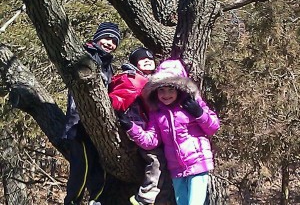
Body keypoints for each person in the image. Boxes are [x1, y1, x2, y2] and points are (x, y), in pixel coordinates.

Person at [119, 59, 220, 205]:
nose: (166, 94)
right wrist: (131, 127)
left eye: (171, 89)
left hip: (198, 162)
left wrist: (199, 113)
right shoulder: (157, 113)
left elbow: (213, 127)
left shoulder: (191, 104)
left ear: (179, 88)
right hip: (176, 169)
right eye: (161, 89)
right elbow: (151, 141)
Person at [63, 22, 121, 205]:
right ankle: (73, 201)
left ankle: (96, 200)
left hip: (99, 128)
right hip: (79, 124)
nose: (110, 43)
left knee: (99, 169)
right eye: (106, 38)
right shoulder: (86, 56)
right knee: (81, 169)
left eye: (114, 41)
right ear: (97, 38)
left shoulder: (108, 65)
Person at [109, 47, 174, 205]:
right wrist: (119, 111)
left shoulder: (157, 84)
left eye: (150, 59)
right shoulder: (130, 78)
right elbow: (117, 97)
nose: (147, 60)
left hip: (150, 131)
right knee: (157, 160)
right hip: (137, 129)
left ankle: (161, 200)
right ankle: (144, 199)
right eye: (141, 58)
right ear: (133, 63)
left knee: (163, 164)